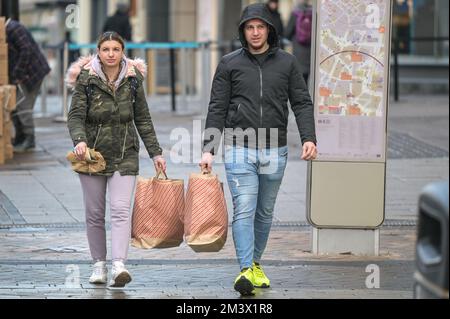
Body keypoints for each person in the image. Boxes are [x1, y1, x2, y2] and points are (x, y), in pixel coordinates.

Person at [200, 3, 317, 296]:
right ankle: (244, 270)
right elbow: (217, 107)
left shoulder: (287, 64)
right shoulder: (229, 64)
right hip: (239, 147)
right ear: (243, 31)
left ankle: (255, 263)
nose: (255, 33)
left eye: (260, 27)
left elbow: (301, 102)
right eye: (250, 27)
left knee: (264, 212)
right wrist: (208, 149)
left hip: (274, 149)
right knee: (244, 208)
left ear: (269, 30)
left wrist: (308, 137)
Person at [66, 32, 166, 288]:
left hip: (125, 153)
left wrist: (155, 152)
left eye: (116, 49)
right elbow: (75, 115)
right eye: (106, 49)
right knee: (95, 213)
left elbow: (143, 117)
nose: (111, 53)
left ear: (123, 52)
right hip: (92, 156)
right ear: (98, 52)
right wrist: (79, 140)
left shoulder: (133, 80)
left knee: (121, 211)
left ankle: (119, 265)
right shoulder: (86, 79)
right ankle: (99, 264)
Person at [5, 18, 51, 153]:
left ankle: (29, 139)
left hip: (32, 73)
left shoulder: (13, 28)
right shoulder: (9, 29)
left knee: (22, 105)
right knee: (16, 104)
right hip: (25, 74)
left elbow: (26, 50)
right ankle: (21, 137)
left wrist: (17, 74)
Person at [285, 0, 313, 85]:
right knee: (307, 77)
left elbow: (287, 33)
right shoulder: (312, 13)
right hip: (309, 50)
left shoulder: (295, 13)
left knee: (299, 79)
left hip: (298, 50)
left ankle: (301, 96)